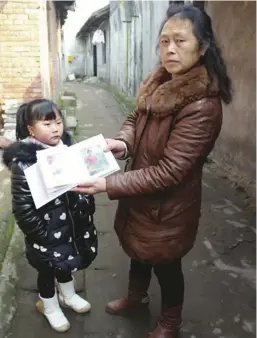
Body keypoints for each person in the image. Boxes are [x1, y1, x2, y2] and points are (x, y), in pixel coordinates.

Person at [74, 3, 232, 337]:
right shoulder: (161, 80)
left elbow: (170, 172)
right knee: (138, 250)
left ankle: (170, 322)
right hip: (141, 194)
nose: (170, 49)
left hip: (168, 206)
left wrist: (107, 184)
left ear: (202, 47)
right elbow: (136, 119)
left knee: (166, 263)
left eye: (180, 40)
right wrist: (123, 145)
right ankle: (136, 297)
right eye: (164, 41)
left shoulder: (202, 104)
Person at [3, 99, 98, 333]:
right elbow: (23, 209)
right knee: (47, 271)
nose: (56, 128)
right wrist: (41, 234)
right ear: (31, 129)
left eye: (58, 121)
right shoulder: (25, 163)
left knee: (67, 263)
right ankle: (50, 306)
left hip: (71, 226)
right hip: (45, 233)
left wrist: (86, 205)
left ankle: (68, 295)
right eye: (47, 123)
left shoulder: (68, 150)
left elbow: (81, 184)